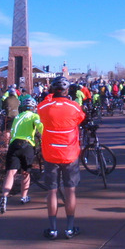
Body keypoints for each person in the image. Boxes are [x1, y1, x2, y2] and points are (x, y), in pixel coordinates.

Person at [37, 76, 85, 240]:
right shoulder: (74, 106)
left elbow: (40, 114)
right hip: (70, 154)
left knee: (52, 191)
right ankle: (70, 229)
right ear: (67, 90)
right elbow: (80, 119)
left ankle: (53, 229)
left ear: (52, 89)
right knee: (70, 191)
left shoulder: (44, 106)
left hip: (50, 153)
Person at [0, 98, 43, 214]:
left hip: (14, 145)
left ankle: (4, 196)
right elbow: (40, 127)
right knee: (25, 173)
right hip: (27, 145)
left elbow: (13, 132)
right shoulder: (34, 116)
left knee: (11, 173)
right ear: (34, 107)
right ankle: (24, 197)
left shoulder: (17, 117)